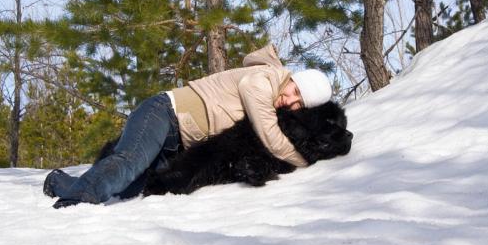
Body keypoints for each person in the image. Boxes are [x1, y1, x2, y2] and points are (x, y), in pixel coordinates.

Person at [44, 44, 332, 208]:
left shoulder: (273, 93)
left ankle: (59, 182)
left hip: (178, 138)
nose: (289, 100)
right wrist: (301, 160)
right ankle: (74, 206)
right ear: (292, 78)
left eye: (298, 103)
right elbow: (268, 133)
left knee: (129, 189)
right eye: (294, 91)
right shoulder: (265, 79)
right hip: (164, 113)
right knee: (128, 164)